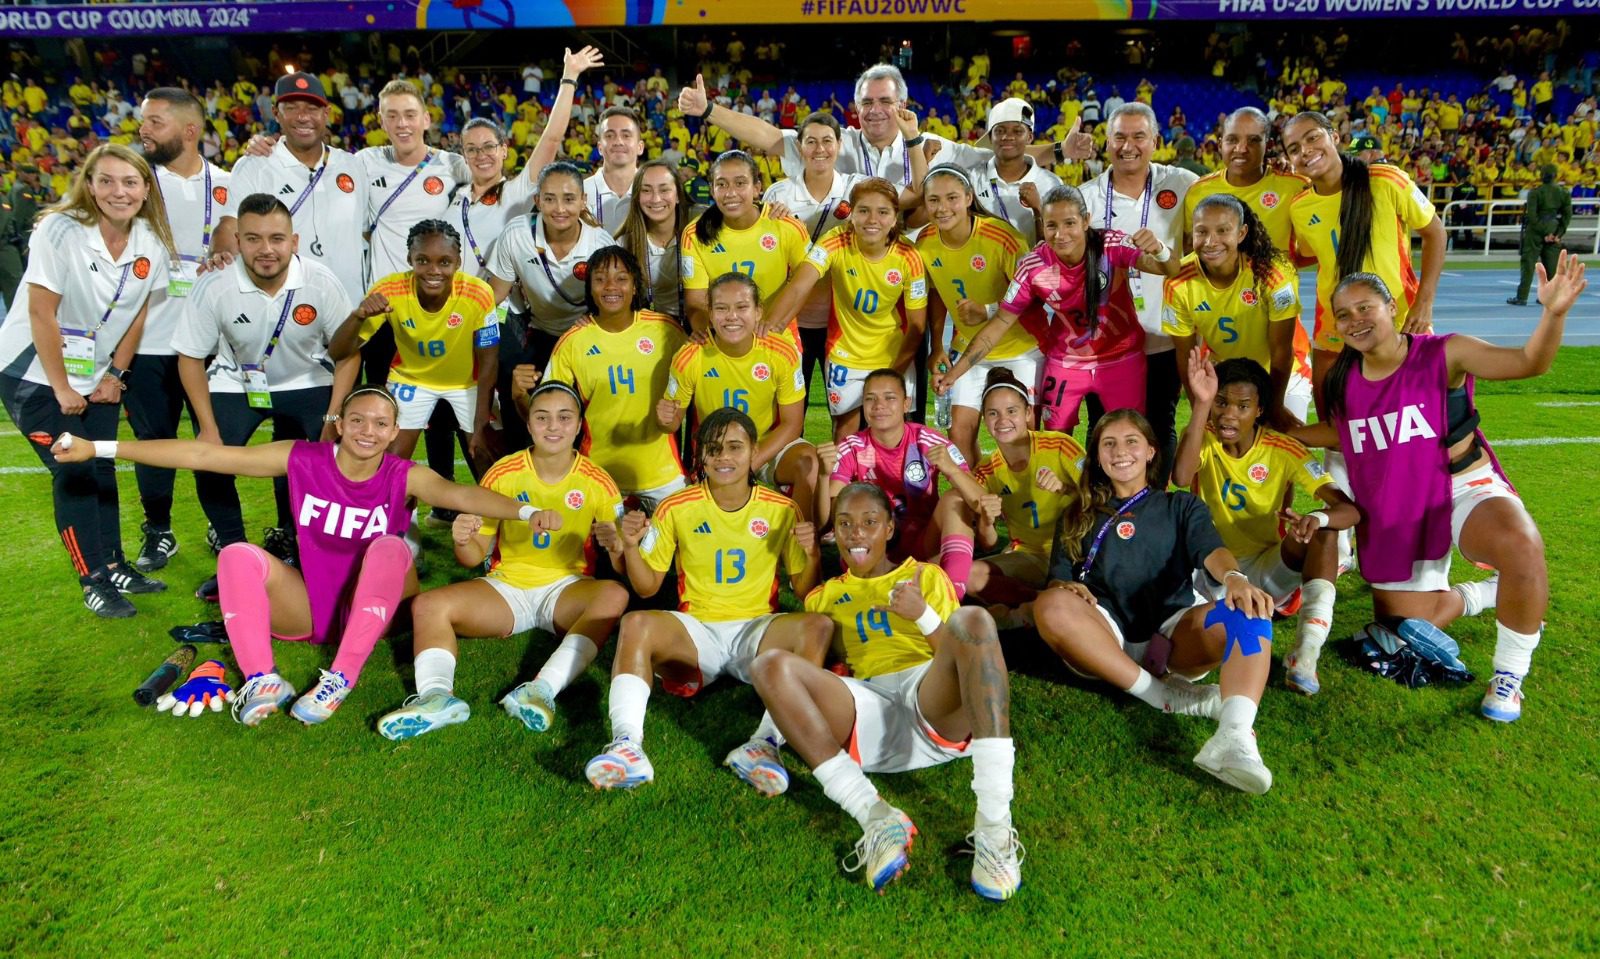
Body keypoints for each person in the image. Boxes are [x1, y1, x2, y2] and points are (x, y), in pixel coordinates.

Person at [52, 388, 554, 724]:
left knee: (388, 546)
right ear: (339, 424)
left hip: (382, 609)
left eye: (381, 423)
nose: (369, 431)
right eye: (358, 419)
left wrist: (525, 509)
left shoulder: (405, 474)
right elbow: (204, 455)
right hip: (312, 607)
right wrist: (99, 447)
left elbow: (462, 496)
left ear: (394, 430)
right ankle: (261, 680)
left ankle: (340, 678)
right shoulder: (301, 458)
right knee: (237, 556)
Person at [1297, 259, 1584, 722]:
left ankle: (1509, 676)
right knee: (1405, 627)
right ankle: (1486, 593)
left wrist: (1553, 314)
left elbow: (1530, 363)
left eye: (1366, 307)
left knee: (1521, 546)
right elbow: (1345, 432)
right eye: (1344, 315)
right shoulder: (1346, 380)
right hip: (1399, 502)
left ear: (1392, 306)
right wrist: (1278, 431)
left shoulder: (1446, 353)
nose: (1356, 321)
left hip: (1460, 486)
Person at [748, 482, 1021, 899]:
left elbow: (963, 654)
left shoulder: (925, 577)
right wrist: (766, 736)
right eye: (845, 524)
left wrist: (923, 615)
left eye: (869, 522)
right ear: (833, 533)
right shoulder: (824, 597)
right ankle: (874, 815)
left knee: (974, 622)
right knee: (768, 664)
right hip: (866, 708)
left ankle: (994, 830)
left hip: (932, 699)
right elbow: (808, 675)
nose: (857, 533)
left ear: (889, 529)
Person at [584, 408, 831, 792]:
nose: (724, 458)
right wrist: (631, 547)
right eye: (714, 449)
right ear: (701, 456)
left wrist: (812, 554)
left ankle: (765, 746)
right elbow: (647, 588)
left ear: (754, 451)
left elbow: (803, 591)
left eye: (735, 447)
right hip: (697, 629)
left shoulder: (782, 509)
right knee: (636, 622)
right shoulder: (675, 507)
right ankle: (626, 744)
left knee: (817, 626)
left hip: (757, 629)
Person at [1033, 409, 1279, 794]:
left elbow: (1211, 551)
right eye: (1108, 444)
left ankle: (1234, 737)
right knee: (1049, 605)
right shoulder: (1077, 513)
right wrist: (1067, 590)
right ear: (1097, 456)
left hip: (1173, 634)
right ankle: (1160, 695)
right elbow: (1058, 580)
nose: (1120, 452)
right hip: (1103, 633)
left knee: (1248, 610)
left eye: (1131, 441)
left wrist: (1235, 578)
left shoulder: (1180, 506)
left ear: (1150, 451)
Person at [377, 381, 631, 739]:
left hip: (566, 590)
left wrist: (617, 548)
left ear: (578, 425)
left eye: (564, 418)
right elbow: (473, 557)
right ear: (529, 424)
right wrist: (462, 538)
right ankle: (436, 698)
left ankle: (541, 690)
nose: (553, 427)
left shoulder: (598, 481)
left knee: (615, 595)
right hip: (506, 587)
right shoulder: (503, 473)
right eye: (542, 418)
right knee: (428, 605)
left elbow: (620, 567)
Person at [0, 144, 176, 617]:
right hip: (33, 373)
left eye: (130, 182)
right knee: (74, 469)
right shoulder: (60, 229)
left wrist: (116, 373)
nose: (119, 191)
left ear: (145, 189)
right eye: (107, 181)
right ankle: (93, 578)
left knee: (100, 464)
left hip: (97, 376)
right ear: (90, 184)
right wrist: (62, 387)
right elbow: (41, 312)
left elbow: (137, 315)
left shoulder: (151, 241)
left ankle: (115, 563)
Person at [173, 193, 360, 597]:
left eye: (277, 238)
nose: (266, 250)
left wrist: (332, 419)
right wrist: (207, 427)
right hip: (236, 383)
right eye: (254, 239)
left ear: (294, 242)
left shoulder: (321, 282)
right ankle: (235, 554)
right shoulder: (215, 285)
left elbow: (348, 354)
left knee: (323, 464)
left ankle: (296, 548)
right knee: (210, 461)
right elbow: (189, 358)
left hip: (307, 381)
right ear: (237, 241)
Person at [1173, 353, 1358, 696]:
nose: (1229, 414)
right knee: (1183, 650)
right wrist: (1200, 407)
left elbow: (1348, 510)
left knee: (1326, 533)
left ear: (1259, 410)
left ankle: (1306, 653)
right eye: (1222, 403)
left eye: (1242, 406)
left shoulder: (1283, 448)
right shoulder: (1204, 436)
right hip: (1210, 570)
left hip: (1263, 570)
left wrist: (1315, 518)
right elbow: (1182, 476)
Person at [953, 185, 1178, 435]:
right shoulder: (1034, 266)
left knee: (1128, 435)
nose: (1060, 234)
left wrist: (1160, 250)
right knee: (1054, 441)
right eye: (1051, 226)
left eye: (1069, 223)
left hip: (1121, 358)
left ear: (1086, 221)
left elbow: (1169, 268)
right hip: (1065, 363)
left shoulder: (1111, 244)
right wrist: (956, 372)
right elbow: (1000, 323)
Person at [130, 87, 240, 574]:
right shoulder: (133, 181)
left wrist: (224, 247)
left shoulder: (228, 181)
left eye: (155, 122)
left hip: (210, 342)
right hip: (147, 338)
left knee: (211, 440)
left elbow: (233, 236)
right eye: (143, 121)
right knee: (153, 441)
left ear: (189, 131)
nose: (143, 130)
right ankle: (159, 531)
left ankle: (224, 528)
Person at [1280, 110, 1444, 404]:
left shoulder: (1386, 180)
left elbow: (1435, 232)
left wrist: (1424, 303)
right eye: (1294, 149)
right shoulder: (1300, 207)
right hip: (1334, 323)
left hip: (1403, 319)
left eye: (1313, 138)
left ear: (1334, 137)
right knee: (1336, 419)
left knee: (1419, 420)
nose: (1305, 151)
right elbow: (1311, 254)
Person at [1079, 103, 1199, 486]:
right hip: (1106, 340)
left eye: (1138, 136)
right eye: (1119, 137)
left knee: (1159, 422)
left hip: (1164, 333)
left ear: (1155, 141)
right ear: (1106, 141)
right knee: (1104, 424)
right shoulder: (1087, 197)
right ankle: (1101, 505)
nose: (1128, 146)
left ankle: (1155, 507)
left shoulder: (1183, 184)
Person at [763, 178, 929, 442]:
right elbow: (799, 285)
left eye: (883, 212)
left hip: (893, 353)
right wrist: (768, 326)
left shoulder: (909, 257)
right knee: (845, 431)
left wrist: (894, 374)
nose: (872, 219)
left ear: (895, 217)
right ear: (851, 214)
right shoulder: (836, 241)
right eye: (863, 211)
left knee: (895, 430)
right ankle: (842, 483)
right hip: (846, 353)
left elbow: (917, 327)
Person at [328, 220, 499, 473]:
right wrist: (358, 316)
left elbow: (488, 361)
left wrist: (481, 423)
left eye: (444, 262)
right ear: (410, 258)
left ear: (458, 262)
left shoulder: (478, 293)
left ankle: (490, 514)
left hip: (467, 383)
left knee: (484, 456)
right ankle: (399, 513)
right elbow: (338, 351)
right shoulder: (389, 290)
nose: (433, 270)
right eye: (423, 260)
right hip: (411, 380)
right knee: (390, 462)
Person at [660, 272, 820, 521]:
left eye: (742, 307)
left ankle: (804, 548)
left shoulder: (781, 352)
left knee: (809, 462)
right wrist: (665, 418)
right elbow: (671, 422)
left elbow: (792, 424)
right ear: (710, 315)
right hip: (717, 450)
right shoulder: (689, 355)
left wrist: (750, 461)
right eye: (722, 308)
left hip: (766, 447)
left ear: (758, 312)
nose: (732, 316)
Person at [541, 245, 687, 510]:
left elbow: (697, 378)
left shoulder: (666, 331)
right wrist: (518, 393)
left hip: (663, 473)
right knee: (597, 548)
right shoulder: (574, 341)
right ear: (590, 289)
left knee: (684, 547)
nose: (610, 287)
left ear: (635, 286)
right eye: (600, 279)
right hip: (599, 473)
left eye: (621, 279)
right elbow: (547, 407)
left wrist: (676, 411)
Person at [916, 166, 1038, 467]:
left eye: (952, 198)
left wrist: (987, 310)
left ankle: (1025, 506)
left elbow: (1033, 296)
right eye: (933, 200)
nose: (942, 208)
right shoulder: (925, 241)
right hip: (968, 347)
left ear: (969, 197)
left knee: (1027, 433)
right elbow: (935, 293)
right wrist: (937, 347)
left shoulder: (1003, 238)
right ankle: (976, 504)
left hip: (1020, 350)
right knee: (959, 432)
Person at [818, 368, 982, 586]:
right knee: (851, 508)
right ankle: (887, 583)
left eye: (889, 397)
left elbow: (981, 503)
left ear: (906, 403)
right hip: (872, 549)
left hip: (924, 544)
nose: (879, 405)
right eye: (870, 399)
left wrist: (952, 470)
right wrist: (823, 476)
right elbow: (827, 520)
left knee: (956, 499)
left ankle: (951, 597)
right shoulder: (851, 447)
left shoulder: (928, 440)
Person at [944, 368, 1084, 622]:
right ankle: (1040, 604)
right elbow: (987, 543)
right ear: (984, 420)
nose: (1002, 420)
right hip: (1030, 555)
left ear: (1028, 413)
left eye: (1012, 411)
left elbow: (1101, 497)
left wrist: (1063, 489)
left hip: (1075, 551)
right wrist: (987, 518)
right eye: (993, 413)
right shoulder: (986, 472)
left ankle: (1023, 614)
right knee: (969, 576)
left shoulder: (1060, 445)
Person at [1164, 194, 1310, 426]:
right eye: (1201, 232)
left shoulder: (1273, 274)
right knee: (1222, 452)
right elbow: (1185, 355)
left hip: (1285, 374)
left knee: (1280, 444)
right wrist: (1198, 409)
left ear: (1241, 233)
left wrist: (1274, 406)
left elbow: (1282, 350)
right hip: (1227, 376)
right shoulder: (1178, 281)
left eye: (1223, 231)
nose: (1211, 241)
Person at [224, 73, 368, 304]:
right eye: (291, 108)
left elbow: (365, 230)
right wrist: (219, 254)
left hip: (351, 312)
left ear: (326, 113)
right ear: (275, 113)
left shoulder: (352, 165)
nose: (303, 117)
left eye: (312, 108)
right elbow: (231, 227)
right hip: (285, 315)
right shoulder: (255, 167)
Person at [756, 111, 868, 394]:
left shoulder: (858, 189)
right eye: (812, 141)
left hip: (842, 318)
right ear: (799, 147)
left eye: (828, 141)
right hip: (792, 319)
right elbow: (764, 253)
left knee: (845, 408)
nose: (820, 149)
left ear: (840, 145)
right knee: (790, 404)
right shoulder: (778, 195)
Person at [485, 161, 615, 374]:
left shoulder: (602, 245)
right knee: (515, 381)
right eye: (549, 199)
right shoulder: (517, 233)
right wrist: (458, 320)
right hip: (538, 329)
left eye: (569, 199)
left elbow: (615, 302)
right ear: (538, 201)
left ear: (583, 201)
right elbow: (496, 293)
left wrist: (594, 321)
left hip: (587, 332)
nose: (560, 209)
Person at [678, 150, 810, 337]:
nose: (731, 193)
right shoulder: (695, 233)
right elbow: (696, 302)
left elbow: (804, 284)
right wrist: (710, 334)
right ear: (712, 190)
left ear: (757, 187)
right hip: (724, 335)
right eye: (722, 184)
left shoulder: (786, 226)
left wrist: (772, 326)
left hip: (777, 334)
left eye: (740, 183)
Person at [933, 97, 1065, 244]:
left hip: (1035, 266)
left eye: (1017, 131)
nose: (1007, 137)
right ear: (990, 137)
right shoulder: (971, 179)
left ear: (1030, 137)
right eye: (1000, 130)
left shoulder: (1051, 183)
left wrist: (1038, 209)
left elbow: (1058, 242)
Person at [614, 158, 694, 322]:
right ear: (637, 197)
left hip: (698, 325)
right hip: (649, 329)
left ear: (678, 195)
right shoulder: (623, 245)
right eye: (646, 190)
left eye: (664, 190)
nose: (656, 199)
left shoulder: (699, 234)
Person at [1508, 164, 1572, 306]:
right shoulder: (1564, 193)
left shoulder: (1535, 193)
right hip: (1554, 228)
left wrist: (1544, 233)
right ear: (1556, 176)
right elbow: (1567, 216)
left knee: (1529, 264)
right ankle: (1550, 297)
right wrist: (1557, 234)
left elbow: (1532, 216)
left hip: (1535, 231)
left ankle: (1522, 296)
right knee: (1552, 266)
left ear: (1541, 176)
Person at [584, 106, 646, 234]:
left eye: (626, 135)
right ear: (600, 147)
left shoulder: (654, 194)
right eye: (610, 135)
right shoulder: (581, 192)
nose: (618, 141)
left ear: (640, 147)